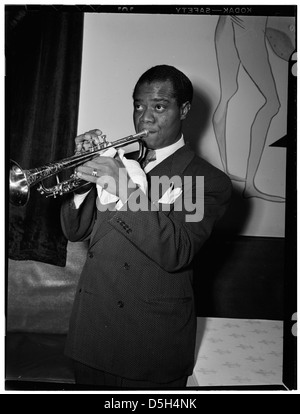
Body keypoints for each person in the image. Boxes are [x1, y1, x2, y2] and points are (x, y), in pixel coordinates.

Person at [60, 64, 232, 389]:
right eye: (138, 105)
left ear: (184, 110)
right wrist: (83, 178)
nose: (145, 117)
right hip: (91, 333)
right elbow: (74, 230)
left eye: (158, 106)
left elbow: (176, 251)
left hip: (149, 342)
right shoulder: (121, 163)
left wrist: (124, 187)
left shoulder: (205, 180)